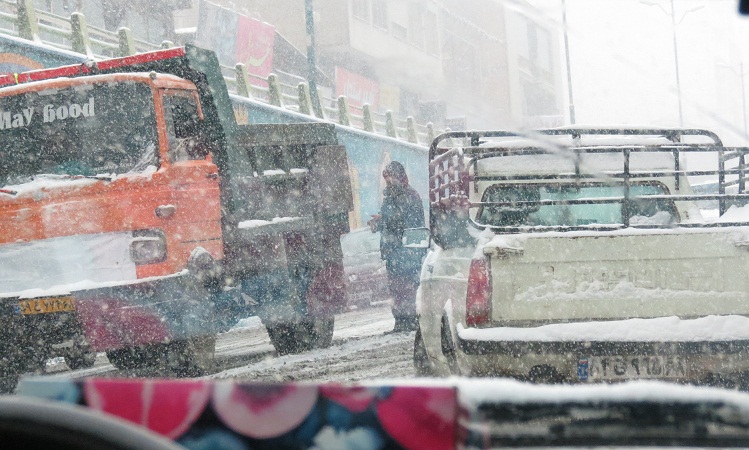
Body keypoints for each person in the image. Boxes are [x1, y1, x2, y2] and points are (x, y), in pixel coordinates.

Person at [368, 161, 426, 333]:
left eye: (391, 177)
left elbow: (409, 223)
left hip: (408, 251)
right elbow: (392, 220)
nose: (388, 181)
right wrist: (379, 223)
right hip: (393, 251)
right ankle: (400, 321)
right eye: (386, 179)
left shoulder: (410, 195)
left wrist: (384, 220)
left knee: (409, 287)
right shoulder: (390, 197)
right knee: (396, 288)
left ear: (400, 177)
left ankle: (412, 320)